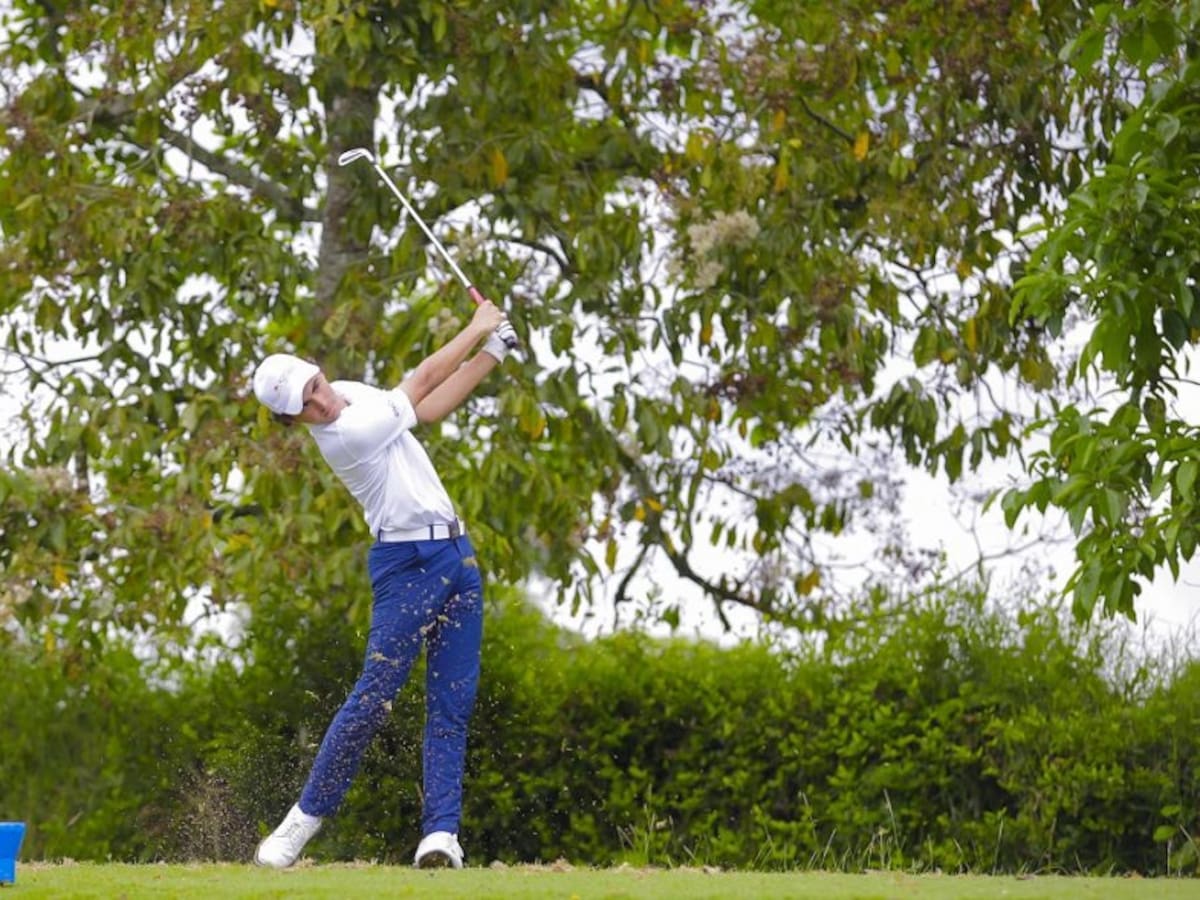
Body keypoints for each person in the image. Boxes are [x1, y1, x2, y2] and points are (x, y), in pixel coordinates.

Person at [250, 300, 516, 870]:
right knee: (373, 697)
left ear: (316, 368)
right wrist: (475, 326)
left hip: (456, 554)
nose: (321, 402)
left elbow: (431, 404)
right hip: (406, 563)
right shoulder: (343, 436)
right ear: (294, 421)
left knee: (453, 703)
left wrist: (491, 351)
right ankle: (300, 824)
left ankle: (440, 836)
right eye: (306, 407)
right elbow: (421, 377)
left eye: (315, 385)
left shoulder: (352, 391)